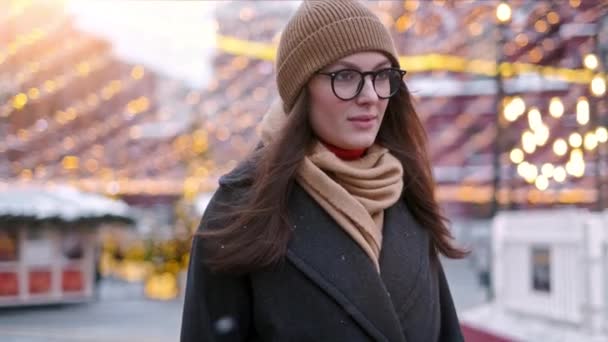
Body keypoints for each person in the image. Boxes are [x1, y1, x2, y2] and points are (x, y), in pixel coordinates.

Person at [180, 1, 467, 341]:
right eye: (345, 76)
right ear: (302, 90)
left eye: (382, 75)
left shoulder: (407, 194)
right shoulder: (241, 207)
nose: (371, 96)